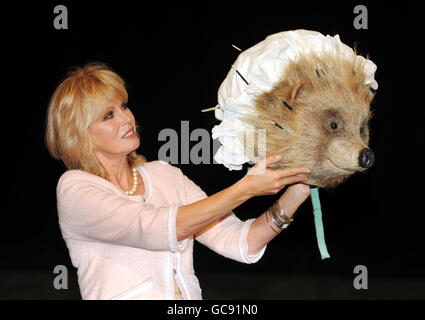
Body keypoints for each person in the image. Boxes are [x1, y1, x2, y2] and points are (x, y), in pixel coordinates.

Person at [45, 62, 312, 300]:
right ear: (80, 136)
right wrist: (246, 188)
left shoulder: (164, 175)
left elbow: (243, 241)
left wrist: (298, 189)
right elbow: (153, 228)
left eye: (124, 106)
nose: (127, 118)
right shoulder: (75, 188)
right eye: (108, 115)